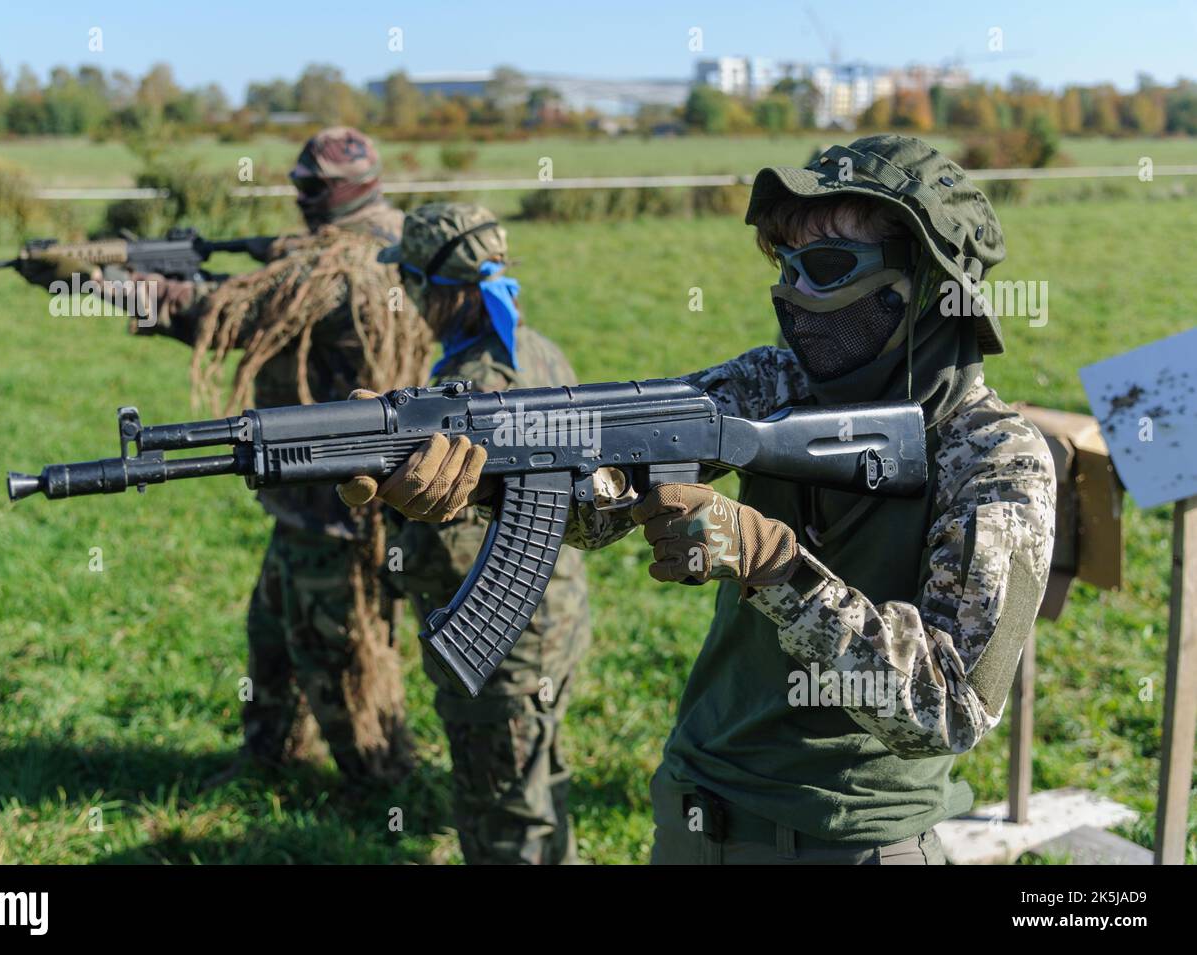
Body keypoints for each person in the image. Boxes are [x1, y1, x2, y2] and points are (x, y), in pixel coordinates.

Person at [339, 136, 1057, 864]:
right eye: (787, 265)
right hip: (697, 805)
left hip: (854, 840)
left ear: (930, 280)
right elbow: (606, 498)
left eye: (829, 267)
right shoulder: (776, 384)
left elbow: (950, 708)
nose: (795, 294)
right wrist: (484, 476)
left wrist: (773, 563)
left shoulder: (996, 457)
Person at [22, 127, 430, 783]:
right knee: (271, 631)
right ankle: (270, 758)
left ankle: (382, 793)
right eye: (297, 182)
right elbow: (261, 279)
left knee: (340, 651)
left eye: (313, 184)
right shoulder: (380, 240)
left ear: (351, 184)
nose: (300, 196)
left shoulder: (350, 263)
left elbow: (220, 311)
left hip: (343, 492)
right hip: (312, 484)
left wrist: (94, 281)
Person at [339, 202, 593, 863]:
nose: (410, 301)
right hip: (553, 615)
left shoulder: (471, 387)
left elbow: (450, 543)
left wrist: (397, 531)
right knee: (538, 780)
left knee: (504, 818)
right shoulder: (535, 349)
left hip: (502, 641)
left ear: (441, 288)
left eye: (413, 284)